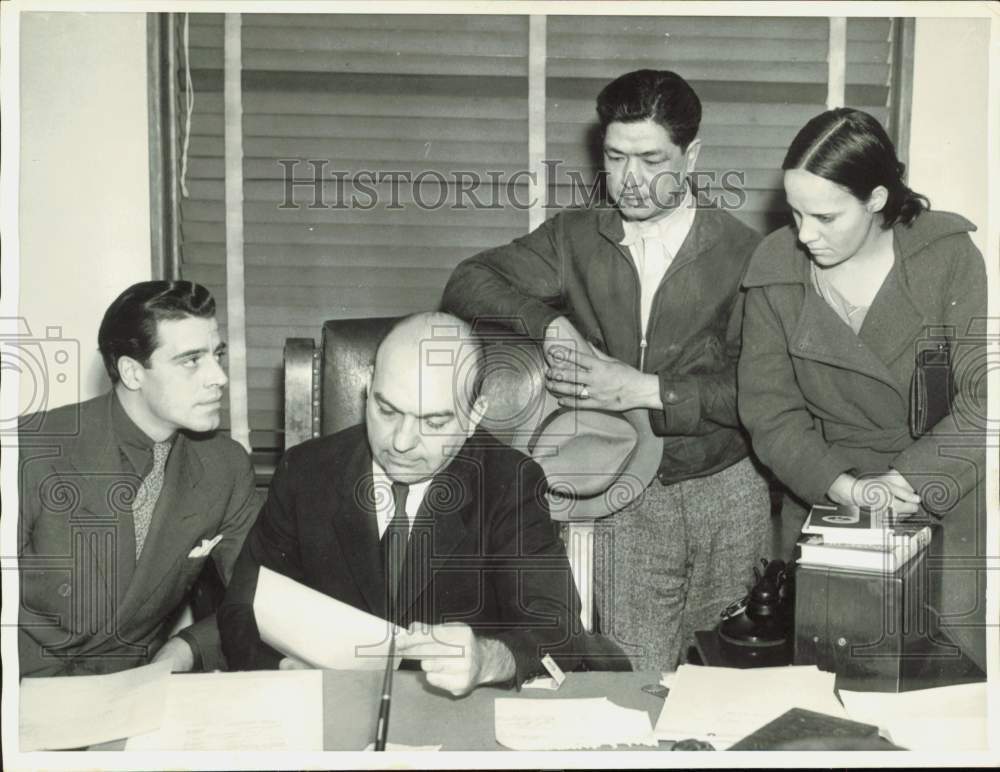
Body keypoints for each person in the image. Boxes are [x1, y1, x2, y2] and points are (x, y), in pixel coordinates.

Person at [441, 69, 773, 671]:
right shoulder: (575, 238)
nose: (632, 180)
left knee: (726, 687)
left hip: (728, 489)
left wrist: (644, 389)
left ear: (692, 156)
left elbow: (761, 390)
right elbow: (469, 280)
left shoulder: (746, 252)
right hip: (624, 494)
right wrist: (548, 325)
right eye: (616, 158)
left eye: (652, 159)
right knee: (633, 683)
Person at [218, 312, 590, 695]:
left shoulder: (509, 483)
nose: (400, 442)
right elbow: (243, 606)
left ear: (474, 415)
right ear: (367, 387)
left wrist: (486, 659)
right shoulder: (305, 473)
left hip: (453, 721)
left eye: (433, 422)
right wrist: (279, 668)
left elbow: (558, 629)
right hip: (328, 708)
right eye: (387, 410)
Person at [738, 107, 988, 670]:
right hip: (827, 495)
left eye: (825, 216)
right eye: (795, 212)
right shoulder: (775, 267)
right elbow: (769, 412)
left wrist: (910, 479)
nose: (805, 234)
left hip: (938, 500)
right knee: (825, 693)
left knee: (941, 689)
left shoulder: (947, 256)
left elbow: (985, 397)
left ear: (876, 200)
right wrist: (846, 487)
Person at [18, 281, 260, 677]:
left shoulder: (226, 467)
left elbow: (258, 598)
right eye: (191, 360)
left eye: (217, 356)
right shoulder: (29, 449)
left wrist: (186, 648)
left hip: (132, 692)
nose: (219, 377)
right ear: (132, 372)